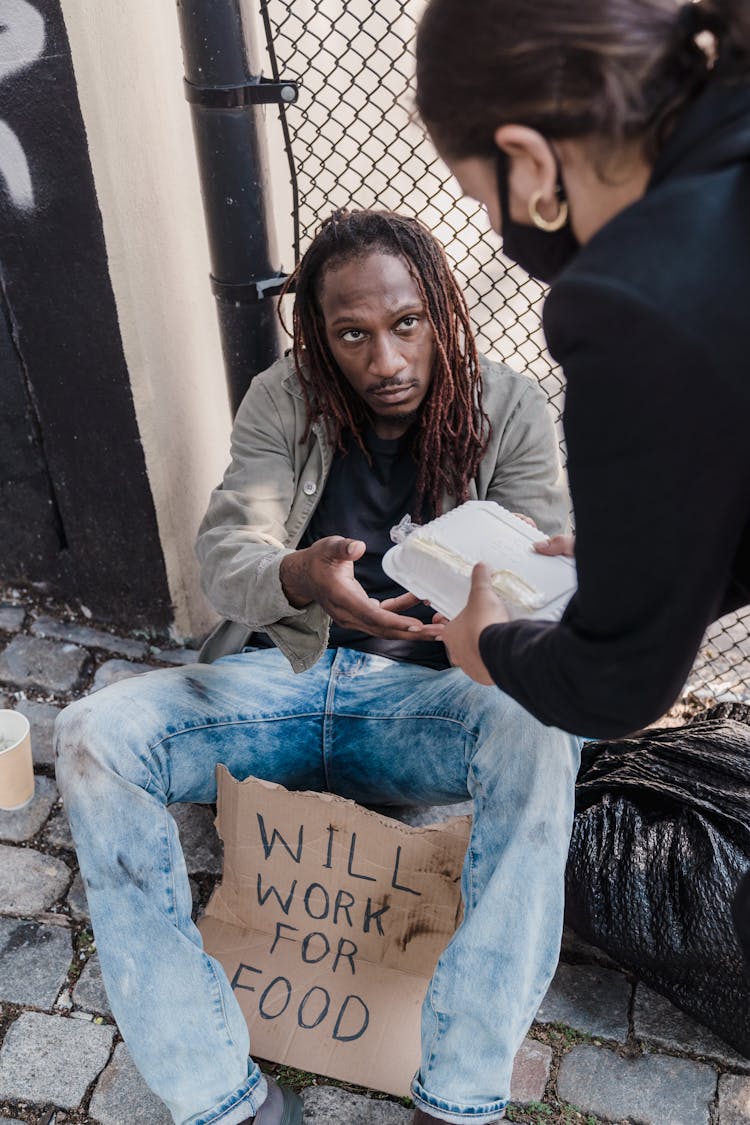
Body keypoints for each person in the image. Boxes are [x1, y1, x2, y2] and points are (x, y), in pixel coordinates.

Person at [55, 209, 579, 1125]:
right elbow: (226, 550)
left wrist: (488, 619)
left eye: (406, 324)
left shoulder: (511, 409)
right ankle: (219, 1096)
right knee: (92, 735)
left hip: (431, 702)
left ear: (443, 310)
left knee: (545, 736)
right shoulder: (283, 397)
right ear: (320, 335)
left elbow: (544, 586)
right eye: (353, 334)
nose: (386, 361)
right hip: (286, 683)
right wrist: (300, 575)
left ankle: (458, 1097)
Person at [413, 0, 750, 739]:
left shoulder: (628, 304)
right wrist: (656, 553)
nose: (498, 229)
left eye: (481, 199)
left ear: (529, 158)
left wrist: (490, 646)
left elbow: (615, 684)